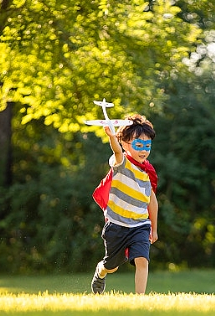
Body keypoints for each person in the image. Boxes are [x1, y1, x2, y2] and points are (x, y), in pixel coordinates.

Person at [91, 114, 159, 295]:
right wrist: (112, 138)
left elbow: (152, 200)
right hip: (117, 225)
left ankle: (139, 300)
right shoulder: (121, 163)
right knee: (111, 266)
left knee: (142, 260)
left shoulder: (148, 171)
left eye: (147, 146)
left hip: (140, 224)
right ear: (126, 144)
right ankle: (101, 271)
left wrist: (154, 227)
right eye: (138, 145)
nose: (143, 151)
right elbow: (117, 152)